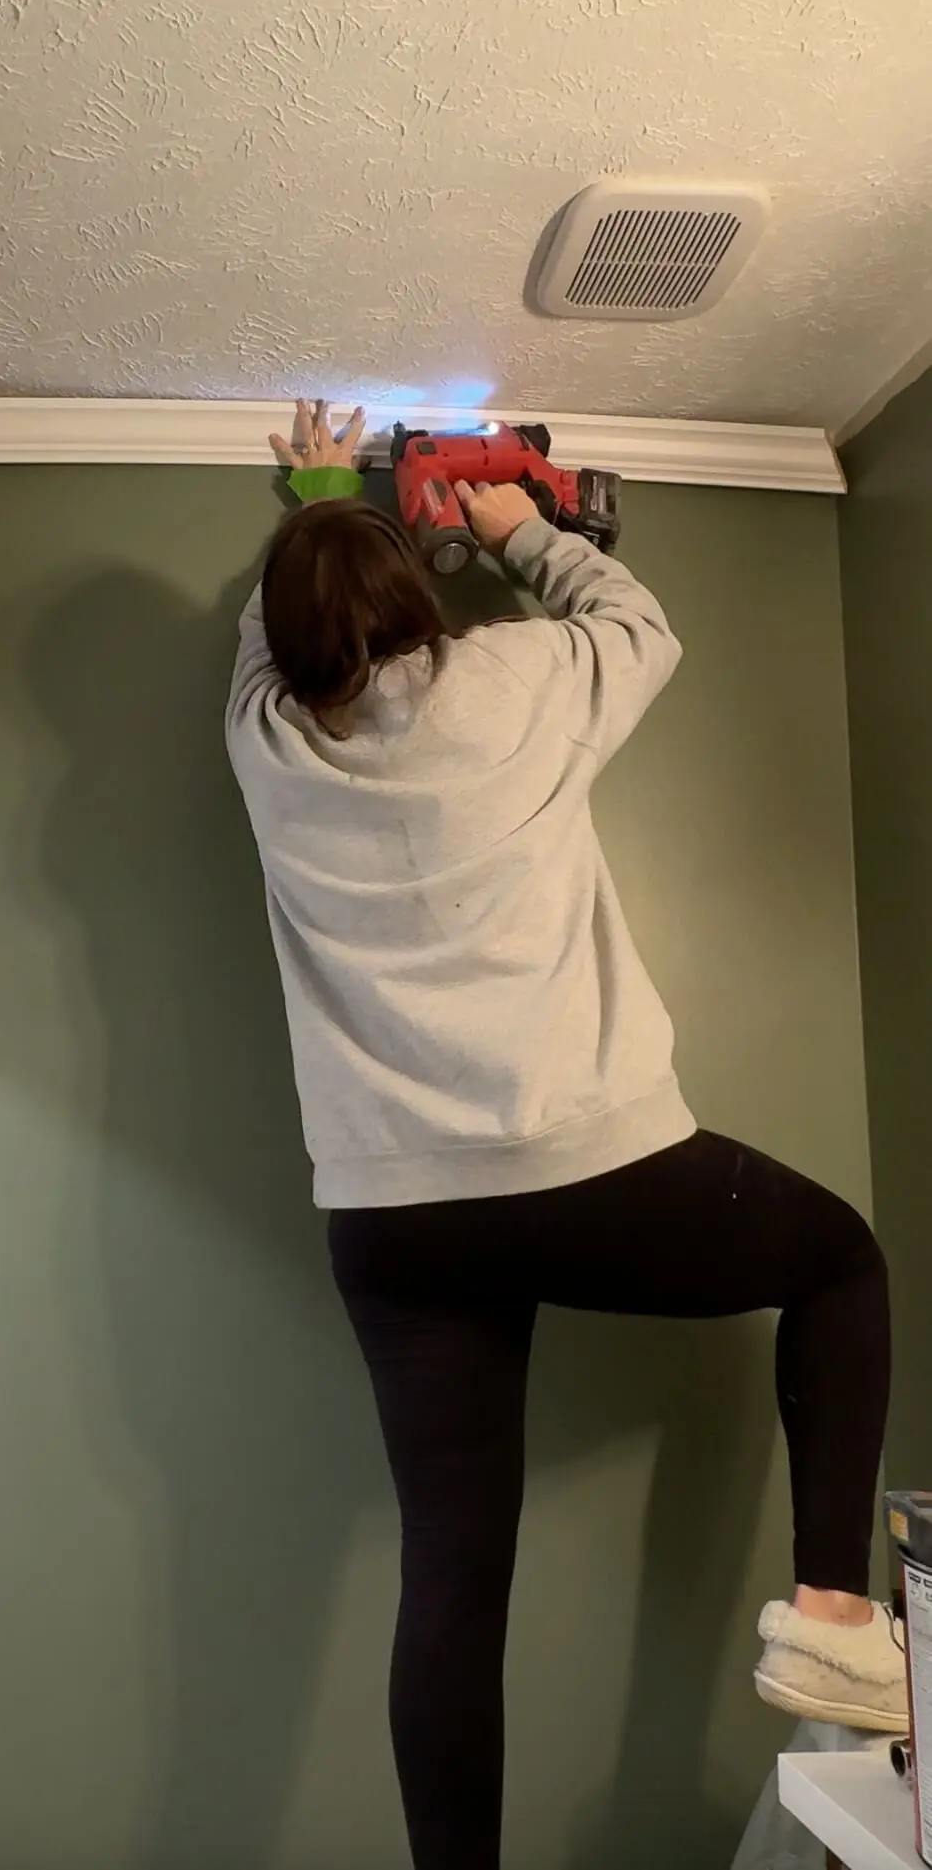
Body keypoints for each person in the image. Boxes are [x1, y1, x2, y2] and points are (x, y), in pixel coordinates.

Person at [225, 397, 901, 1870]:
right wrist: (509, 524)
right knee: (839, 1261)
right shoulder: (519, 676)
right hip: (583, 1169)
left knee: (452, 1585)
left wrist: (325, 503)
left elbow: (266, 646)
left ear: (290, 656)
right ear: (424, 612)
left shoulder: (266, 745)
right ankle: (839, 1619)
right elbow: (637, 620)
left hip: (393, 1227)